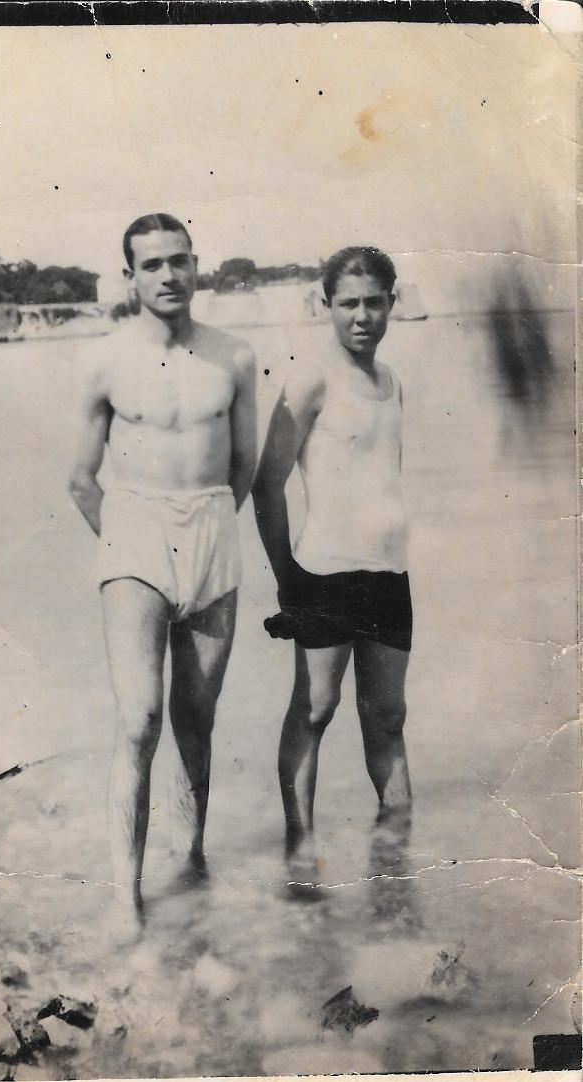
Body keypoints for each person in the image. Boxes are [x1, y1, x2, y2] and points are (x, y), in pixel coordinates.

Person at [69, 213, 256, 936]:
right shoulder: (107, 360)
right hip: (136, 533)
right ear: (130, 277)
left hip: (211, 530)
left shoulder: (234, 357)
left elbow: (241, 469)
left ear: (197, 265)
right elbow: (81, 479)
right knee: (139, 717)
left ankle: (193, 860)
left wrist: (204, 529)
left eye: (179, 261)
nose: (169, 276)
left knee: (196, 719)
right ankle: (127, 896)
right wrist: (127, 553)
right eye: (151, 265)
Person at [252, 246, 412, 888]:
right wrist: (286, 576)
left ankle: (398, 864)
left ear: (392, 304)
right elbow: (267, 483)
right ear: (326, 306)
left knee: (388, 716)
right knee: (316, 709)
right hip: (323, 572)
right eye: (349, 303)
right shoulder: (311, 380)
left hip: (390, 573)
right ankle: (300, 851)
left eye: (375, 302)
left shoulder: (394, 381)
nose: (362, 316)